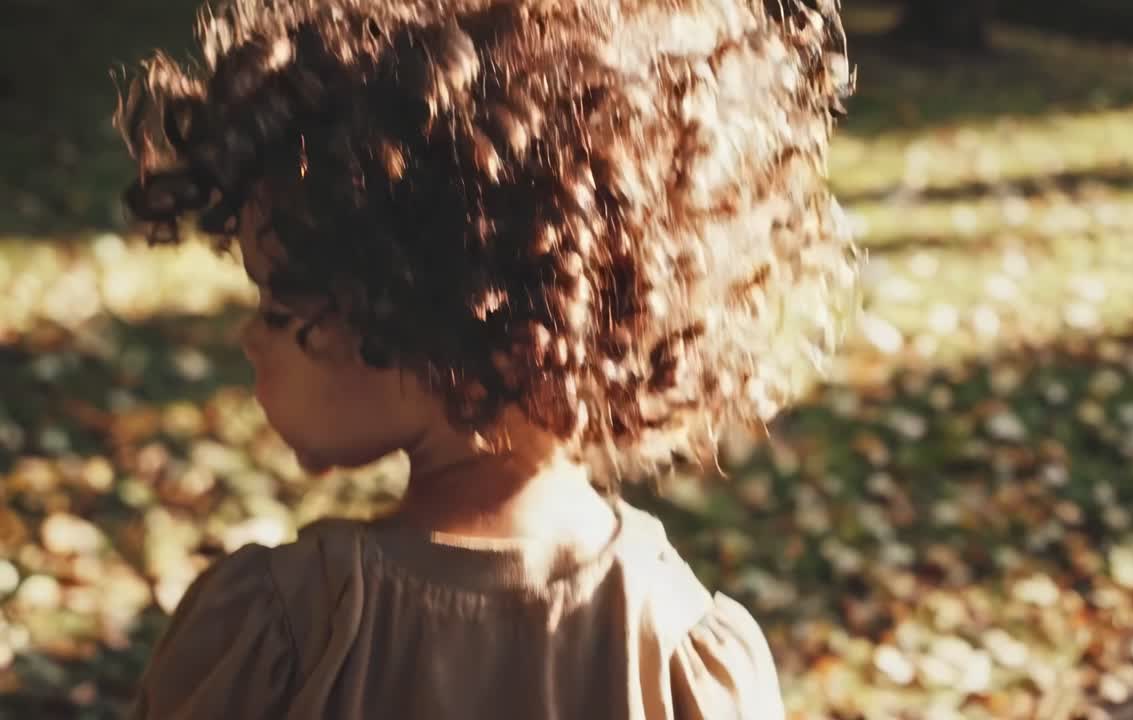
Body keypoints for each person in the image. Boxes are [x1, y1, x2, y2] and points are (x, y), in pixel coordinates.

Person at [115, 0, 856, 717]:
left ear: (431, 319)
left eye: (278, 305)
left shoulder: (274, 639)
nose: (249, 338)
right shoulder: (687, 657)